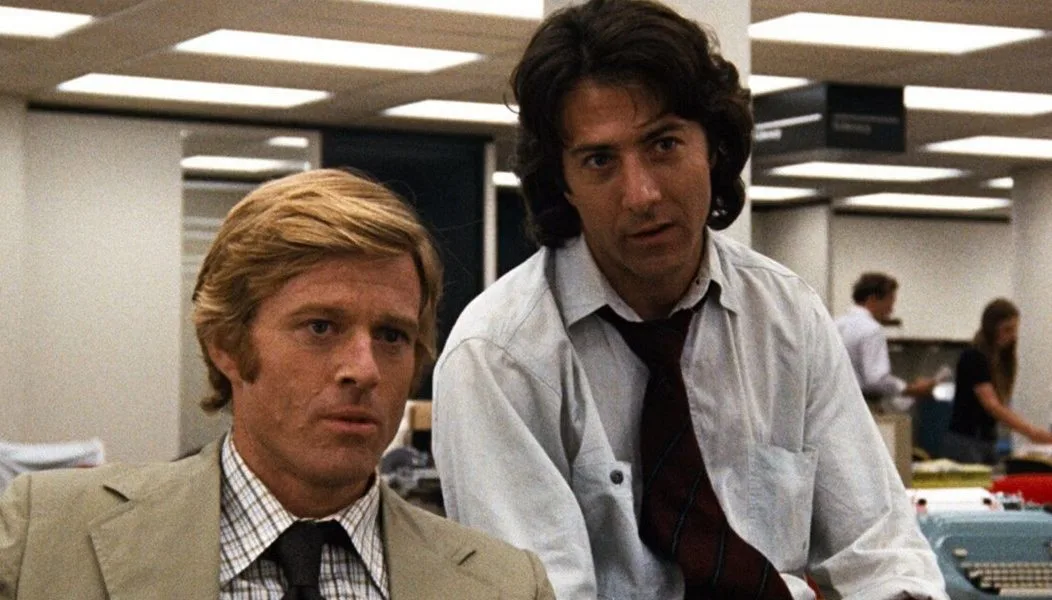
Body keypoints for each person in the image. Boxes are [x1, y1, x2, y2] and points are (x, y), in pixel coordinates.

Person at [431, 1, 947, 598]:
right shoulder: (499, 356)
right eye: (600, 160)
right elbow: (541, 594)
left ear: (714, 148)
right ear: (563, 182)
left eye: (664, 145)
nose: (641, 194)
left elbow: (880, 552)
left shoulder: (787, 317)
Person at [0, 169, 555, 600]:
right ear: (227, 343)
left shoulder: (505, 585)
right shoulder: (47, 536)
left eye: (391, 335)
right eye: (321, 328)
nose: (364, 370)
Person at [942, 298, 1052, 464]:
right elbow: (991, 405)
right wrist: (1031, 432)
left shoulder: (999, 360)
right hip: (966, 440)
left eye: (1014, 330)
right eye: (1007, 329)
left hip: (987, 438)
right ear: (992, 328)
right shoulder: (974, 357)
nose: (1012, 336)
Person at [835, 272, 937, 412]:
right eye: (889, 302)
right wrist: (911, 389)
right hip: (861, 406)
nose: (891, 310)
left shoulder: (835, 324)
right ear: (872, 299)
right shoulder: (872, 330)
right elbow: (876, 380)